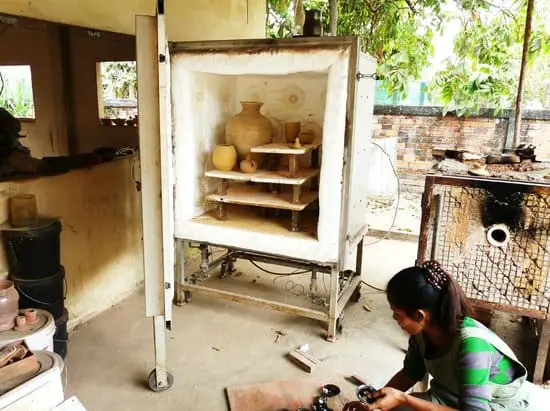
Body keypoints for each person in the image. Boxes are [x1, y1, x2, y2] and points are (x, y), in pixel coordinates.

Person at [344, 260, 550, 411]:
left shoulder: (472, 346)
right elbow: (409, 374)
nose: (395, 320)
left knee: (402, 405)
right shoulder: (422, 333)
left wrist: (404, 399)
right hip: (454, 396)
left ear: (419, 315)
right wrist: (372, 402)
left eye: (397, 315)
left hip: (502, 406)